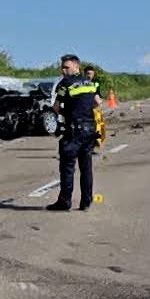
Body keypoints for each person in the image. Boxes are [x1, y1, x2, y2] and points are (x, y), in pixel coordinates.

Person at [46, 54, 101, 212]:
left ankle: (65, 201)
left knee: (68, 167)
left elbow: (56, 107)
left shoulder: (65, 83)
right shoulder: (90, 83)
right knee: (86, 167)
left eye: (66, 67)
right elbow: (97, 103)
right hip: (90, 129)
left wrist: (54, 117)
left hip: (74, 132)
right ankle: (86, 201)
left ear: (77, 66)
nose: (63, 70)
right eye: (62, 67)